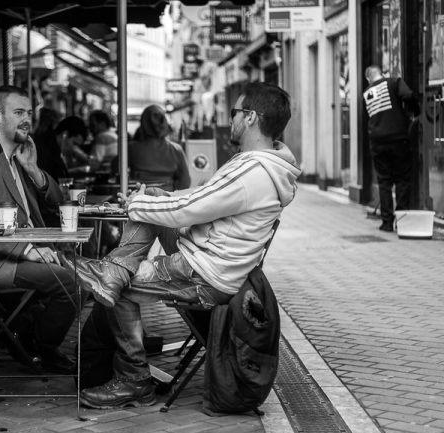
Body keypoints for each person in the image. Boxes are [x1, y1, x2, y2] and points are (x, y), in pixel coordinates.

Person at [59, 82, 301, 409]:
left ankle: (134, 380)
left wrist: (135, 205)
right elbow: (192, 199)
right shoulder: (261, 164)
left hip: (204, 273)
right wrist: (154, 199)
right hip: (208, 258)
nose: (230, 120)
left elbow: (189, 208)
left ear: (251, 118)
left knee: (121, 288)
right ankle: (114, 269)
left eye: (234, 113)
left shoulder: (253, 171)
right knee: (154, 203)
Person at [0, 85, 78, 374]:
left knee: (85, 274)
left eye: (29, 113)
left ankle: (24, 338)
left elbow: (58, 203)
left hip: (25, 249)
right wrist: (28, 250)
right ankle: (38, 349)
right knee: (69, 282)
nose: (27, 120)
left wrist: (33, 170)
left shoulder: (18, 154)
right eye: (18, 112)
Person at [362, 65, 419, 232]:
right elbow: (408, 95)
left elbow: (368, 118)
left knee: (384, 182)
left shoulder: (366, 94)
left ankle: (387, 222)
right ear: (382, 74)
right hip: (398, 138)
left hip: (377, 142)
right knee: (402, 179)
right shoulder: (394, 82)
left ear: (368, 79)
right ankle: (402, 222)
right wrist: (415, 113)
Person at [129, 105, 191, 192]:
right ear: (164, 123)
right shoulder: (176, 150)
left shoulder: (131, 149)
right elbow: (185, 182)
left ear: (143, 124)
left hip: (140, 198)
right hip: (167, 200)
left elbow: (115, 168)